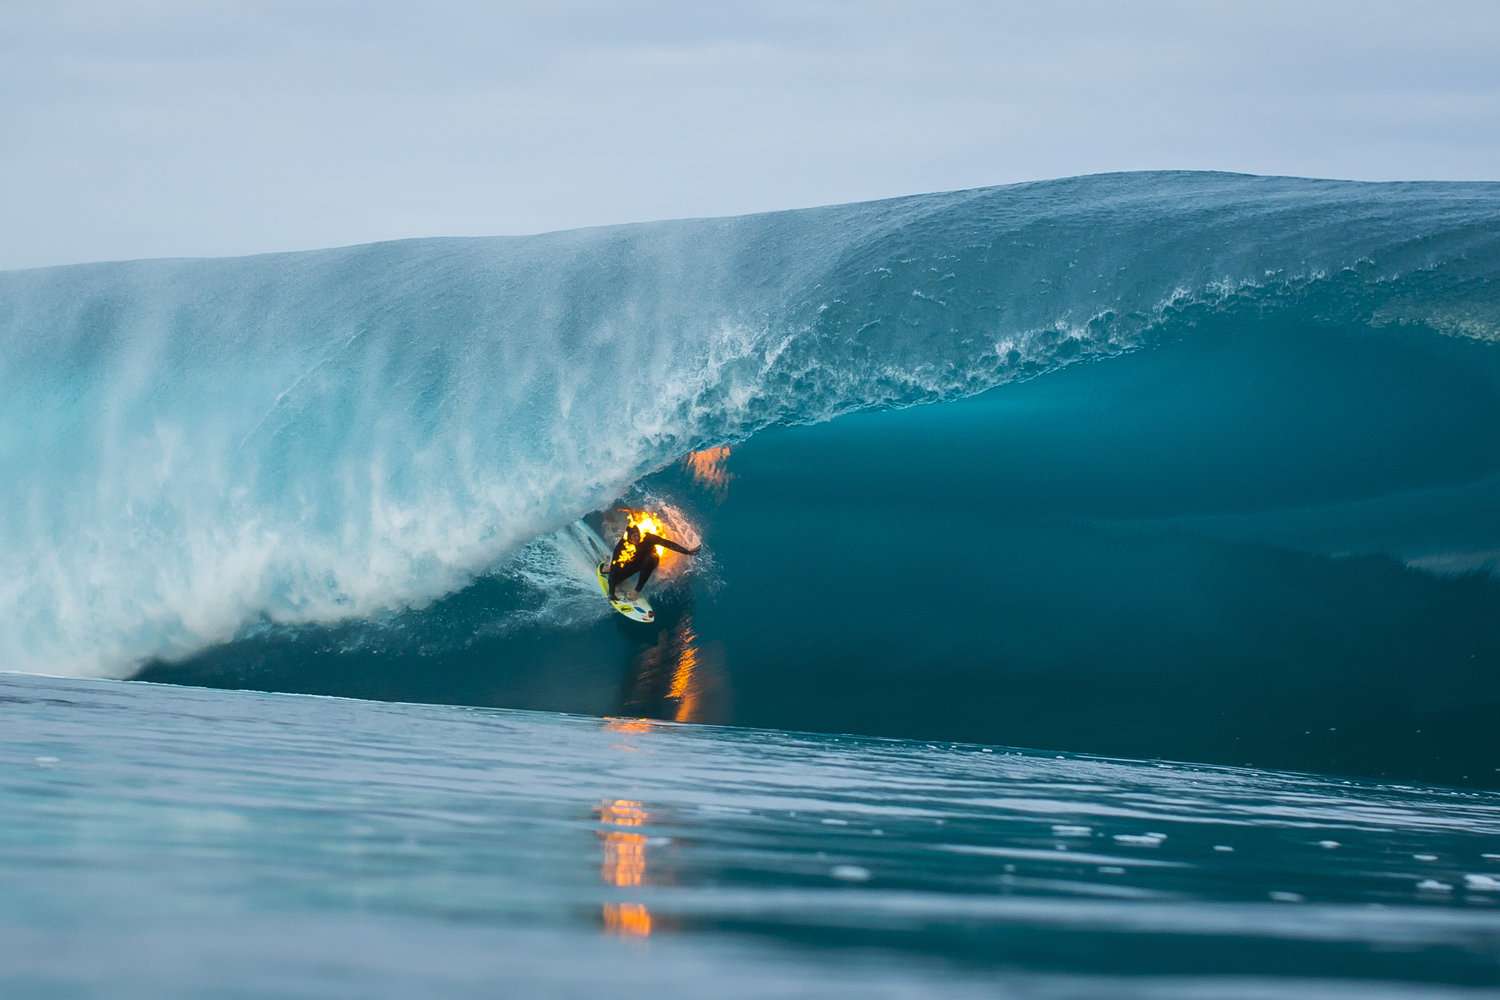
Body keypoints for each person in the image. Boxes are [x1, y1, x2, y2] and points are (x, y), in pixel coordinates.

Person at [606, 520, 699, 601]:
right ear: (629, 537)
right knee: (615, 578)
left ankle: (636, 591)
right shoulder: (622, 545)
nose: (637, 538)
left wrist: (687, 552)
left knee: (649, 559)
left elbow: (667, 543)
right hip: (634, 562)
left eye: (638, 535)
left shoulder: (647, 537)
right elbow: (615, 565)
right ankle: (610, 570)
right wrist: (611, 593)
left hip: (650, 560)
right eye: (634, 536)